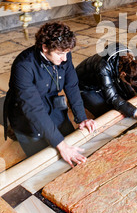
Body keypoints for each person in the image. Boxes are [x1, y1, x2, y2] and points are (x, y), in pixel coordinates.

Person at [3, 22, 96, 167]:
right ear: (45, 47)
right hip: (24, 110)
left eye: (67, 53)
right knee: (45, 160)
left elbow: (71, 86)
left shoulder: (64, 53)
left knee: (70, 139)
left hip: (51, 100)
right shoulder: (23, 66)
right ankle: (15, 131)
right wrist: (61, 145)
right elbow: (33, 109)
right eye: (60, 54)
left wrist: (81, 118)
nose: (65, 59)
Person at [76, 43, 137, 122]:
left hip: (108, 77)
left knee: (129, 97)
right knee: (109, 112)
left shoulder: (131, 61)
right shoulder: (103, 67)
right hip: (85, 86)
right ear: (122, 74)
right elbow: (113, 99)